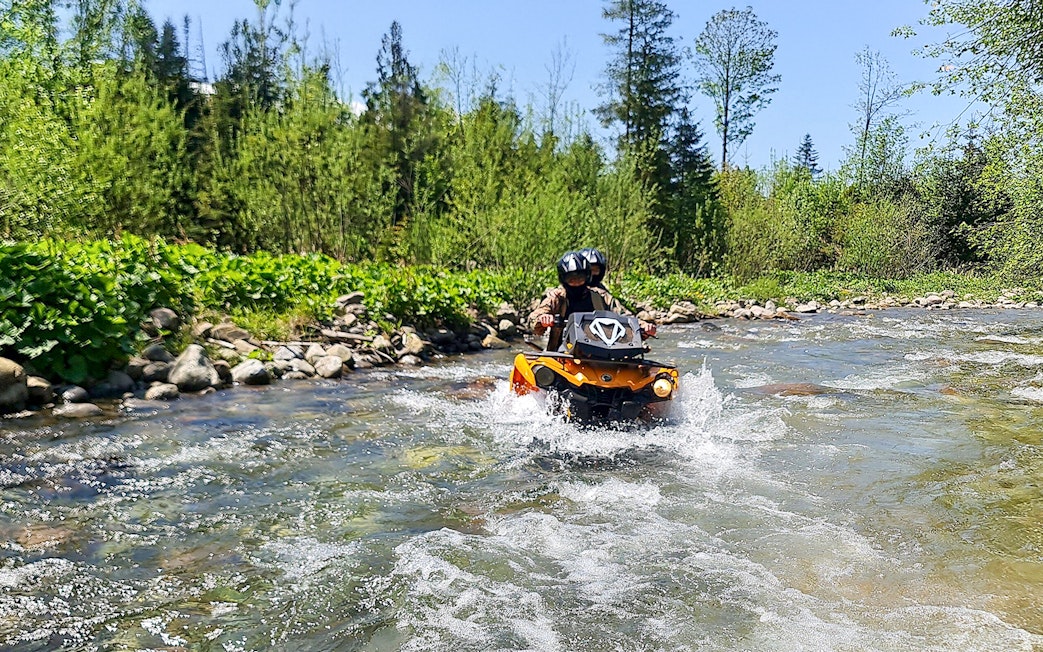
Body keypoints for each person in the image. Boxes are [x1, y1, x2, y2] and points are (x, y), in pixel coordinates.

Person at [529, 251, 656, 350]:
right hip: (563, 355)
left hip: (601, 353)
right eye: (571, 279)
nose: (576, 282)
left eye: (580, 278)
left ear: (587, 277)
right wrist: (542, 319)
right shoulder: (556, 298)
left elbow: (625, 316)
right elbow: (534, 318)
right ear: (564, 279)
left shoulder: (601, 296)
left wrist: (644, 326)